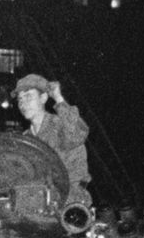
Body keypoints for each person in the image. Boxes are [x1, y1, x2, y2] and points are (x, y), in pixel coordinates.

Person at [13, 73, 93, 207]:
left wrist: (58, 98)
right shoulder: (26, 138)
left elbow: (78, 134)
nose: (23, 104)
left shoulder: (60, 125)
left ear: (43, 98)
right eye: (20, 99)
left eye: (28, 96)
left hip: (70, 200)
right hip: (40, 204)